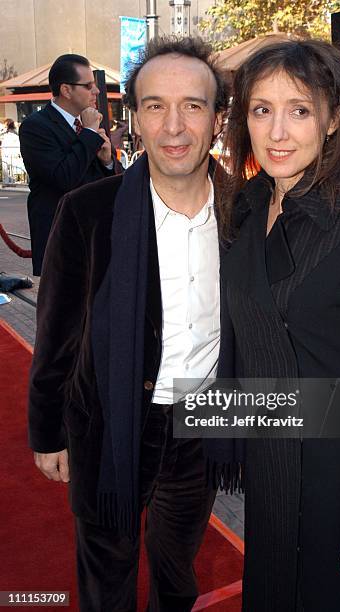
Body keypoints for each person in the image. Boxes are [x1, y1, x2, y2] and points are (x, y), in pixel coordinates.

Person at [211, 40, 340, 611]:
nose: (278, 131)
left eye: (299, 110)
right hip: (271, 468)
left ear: (333, 119)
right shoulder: (245, 207)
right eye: (261, 109)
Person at [28, 37, 228, 612]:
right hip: (108, 424)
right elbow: (57, 334)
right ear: (134, 117)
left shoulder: (247, 211)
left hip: (202, 424)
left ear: (217, 119)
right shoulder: (89, 211)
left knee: (177, 571)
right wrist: (47, 432)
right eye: (155, 105)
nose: (174, 125)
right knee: (107, 578)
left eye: (192, 105)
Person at [19, 53, 115, 276]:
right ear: (66, 90)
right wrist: (90, 134)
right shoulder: (36, 127)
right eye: (88, 85)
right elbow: (63, 177)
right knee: (65, 309)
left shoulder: (90, 122)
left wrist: (108, 161)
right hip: (60, 240)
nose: (96, 91)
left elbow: (111, 183)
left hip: (96, 236)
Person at [0, 119, 21, 184]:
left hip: (9, 152)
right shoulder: (8, 133)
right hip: (8, 152)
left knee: (8, 168)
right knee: (8, 168)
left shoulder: (12, 134)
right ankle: (9, 181)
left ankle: (9, 181)